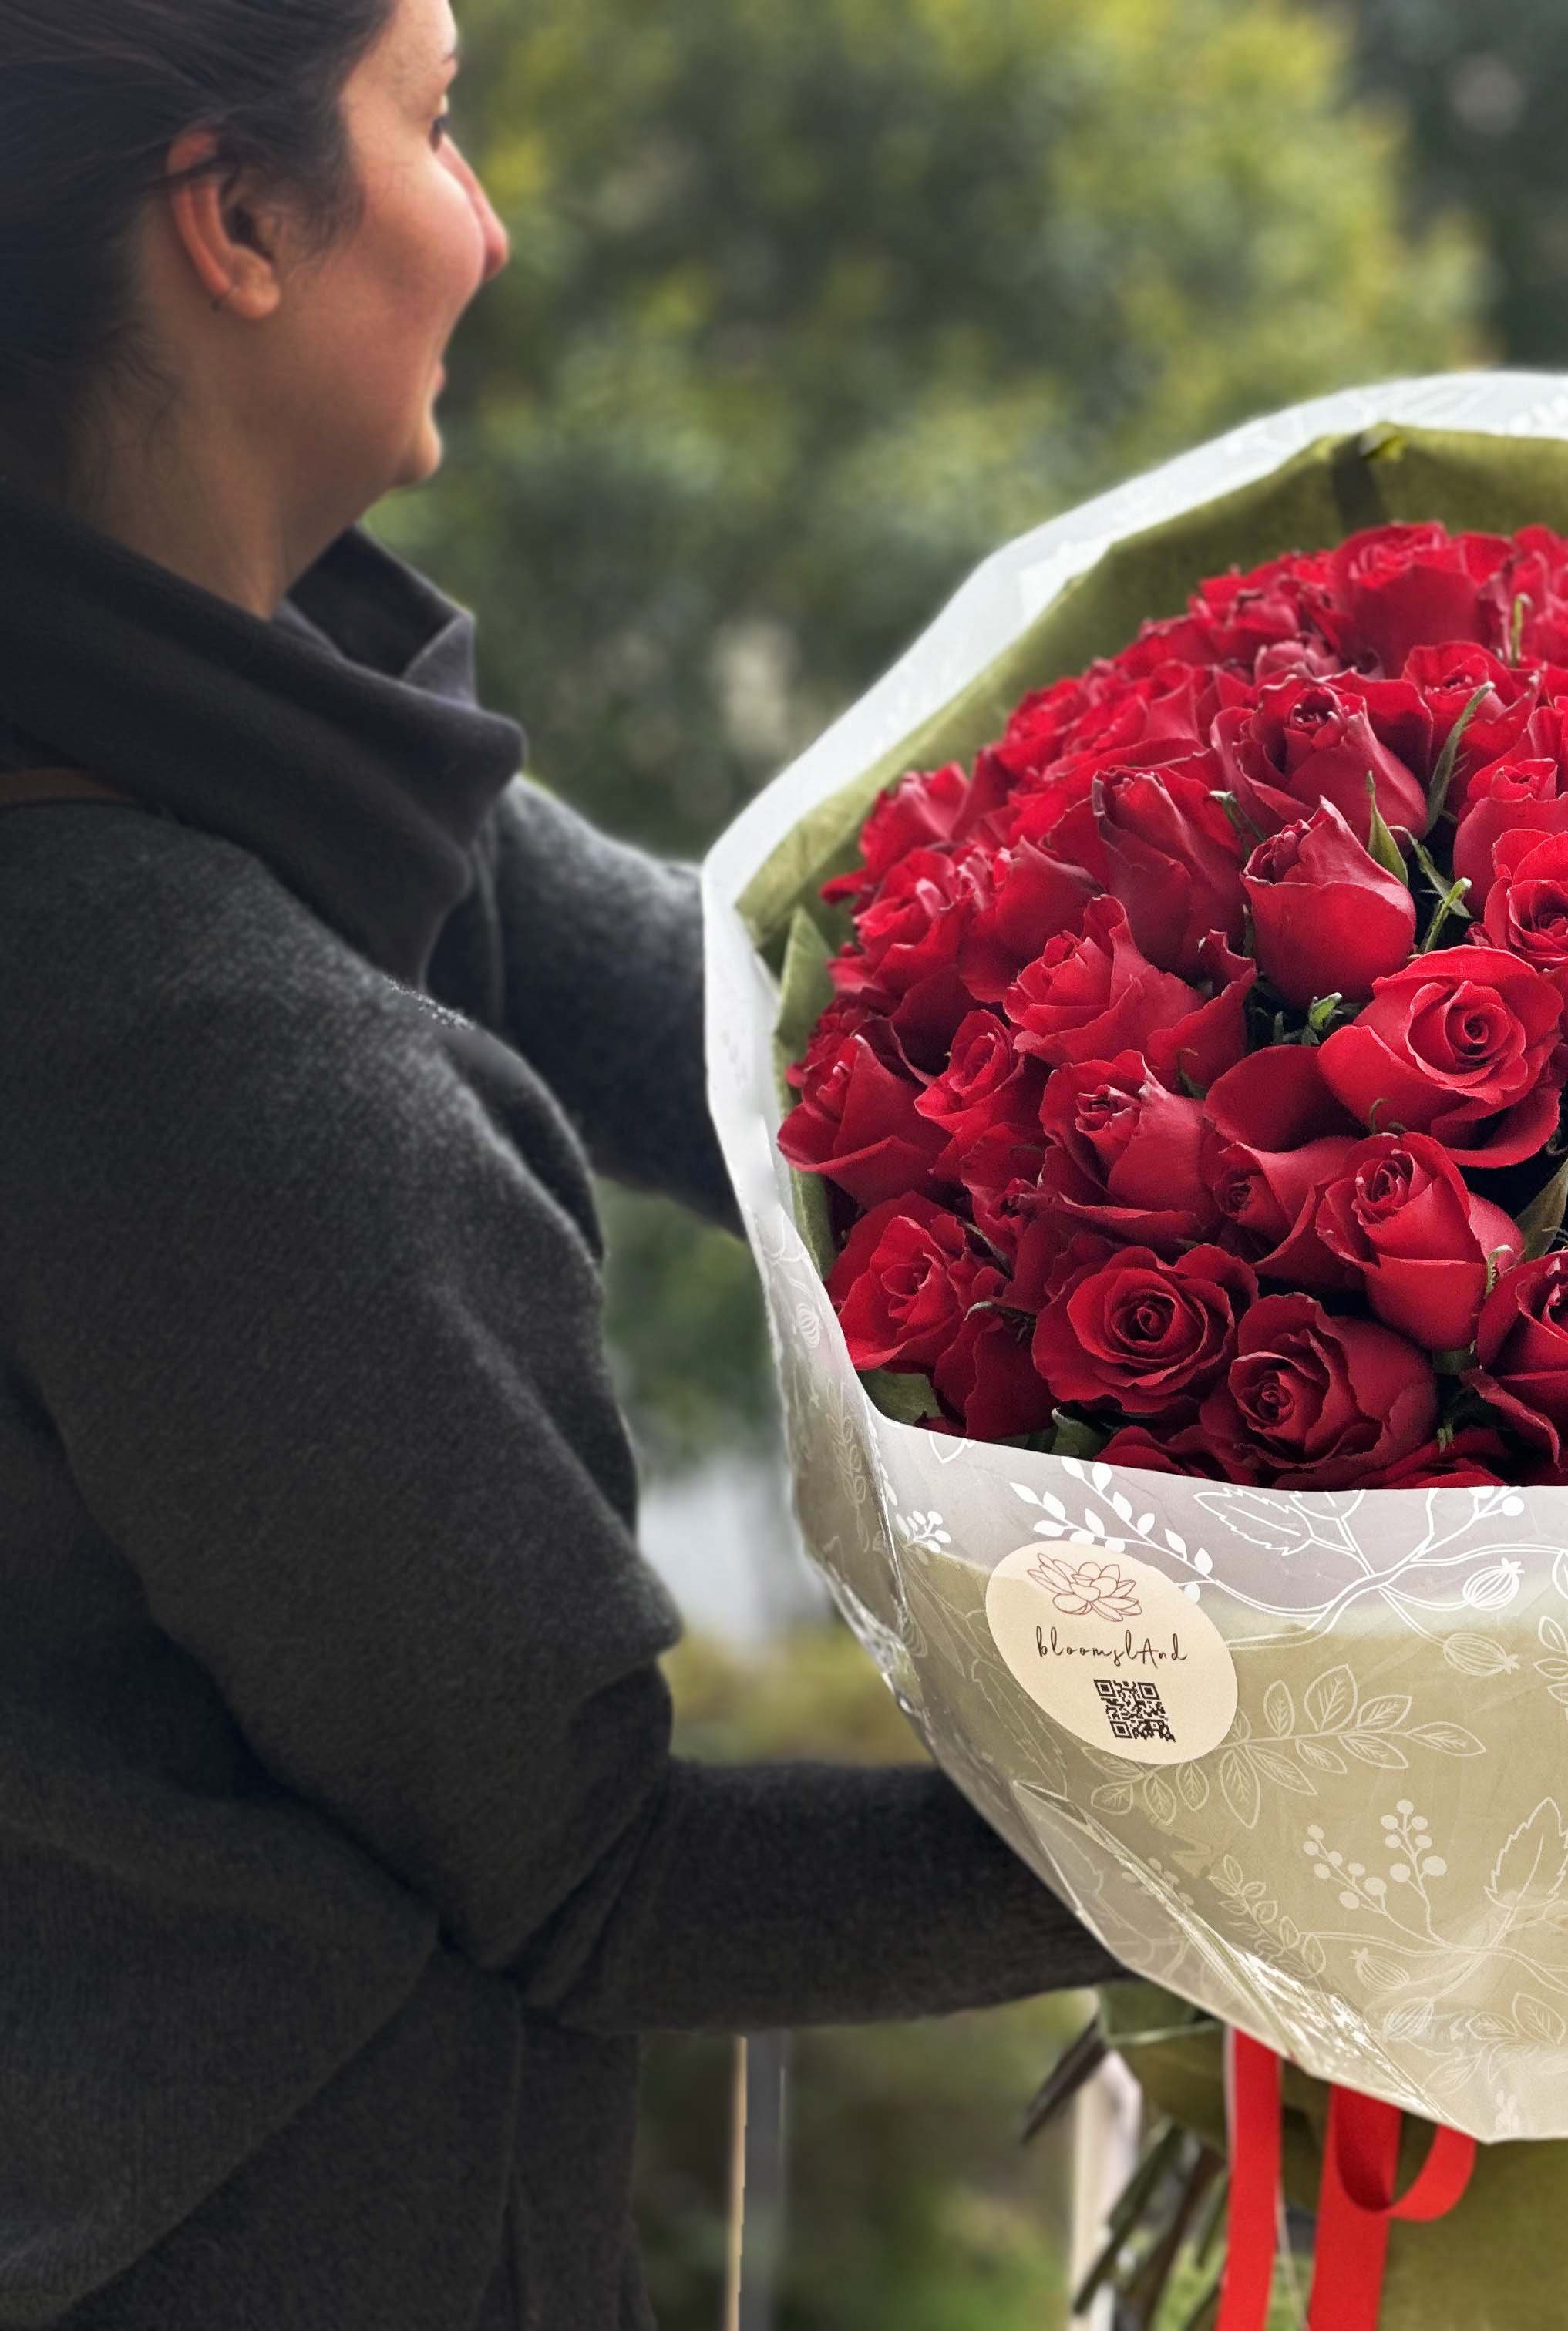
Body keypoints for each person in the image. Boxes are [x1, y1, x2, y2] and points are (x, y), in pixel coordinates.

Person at [0, 2, 1123, 2323]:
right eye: (434, 122)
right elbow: (606, 1876)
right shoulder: (204, 1069)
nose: (489, 227)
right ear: (231, 224)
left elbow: (748, 1038)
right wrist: (1283, 1830)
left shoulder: (207, 689)